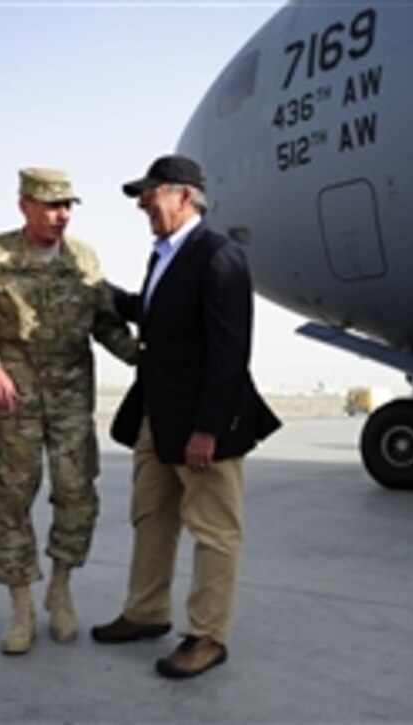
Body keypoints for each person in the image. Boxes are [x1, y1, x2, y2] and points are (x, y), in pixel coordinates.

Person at [90, 154, 281, 679]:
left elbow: (229, 352)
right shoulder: (164, 256)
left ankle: (207, 636)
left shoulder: (219, 256)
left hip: (201, 422)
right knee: (151, 518)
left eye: (150, 193)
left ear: (182, 195)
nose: (141, 203)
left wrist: (209, 430)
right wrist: (100, 292)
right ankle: (146, 612)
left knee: (214, 530)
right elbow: (158, 318)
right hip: (157, 415)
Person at [0, 168, 138, 655]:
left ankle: (60, 590)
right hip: (13, 398)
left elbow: (105, 322)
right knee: (11, 500)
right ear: (25, 206)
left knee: (77, 494)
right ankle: (20, 607)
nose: (62, 215)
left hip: (71, 398)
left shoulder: (83, 258)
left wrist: (148, 358)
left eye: (68, 206)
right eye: (52, 205)